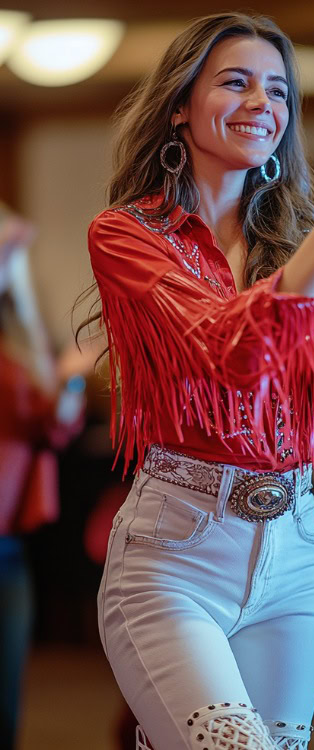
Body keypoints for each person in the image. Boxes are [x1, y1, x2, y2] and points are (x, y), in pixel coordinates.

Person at [82, 12, 314, 750]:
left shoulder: (313, 240)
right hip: (174, 554)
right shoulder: (129, 235)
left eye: (277, 91)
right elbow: (228, 352)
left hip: (295, 557)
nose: (261, 104)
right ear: (180, 104)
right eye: (235, 82)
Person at [0, 204, 84, 748]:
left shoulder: (18, 332)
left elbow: (56, 423)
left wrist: (72, 384)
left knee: (6, 698)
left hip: (8, 545)